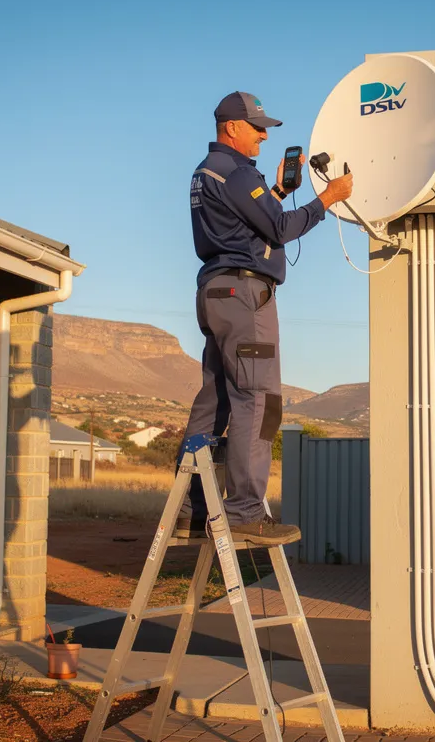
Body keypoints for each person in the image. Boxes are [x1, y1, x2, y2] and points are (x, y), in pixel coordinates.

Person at [175, 91, 353, 546]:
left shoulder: (207, 172)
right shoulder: (236, 172)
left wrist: (275, 193)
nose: (262, 135)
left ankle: (192, 510)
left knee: (213, 401)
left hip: (215, 292)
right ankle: (245, 510)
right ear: (231, 127)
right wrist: (327, 199)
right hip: (244, 295)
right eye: (256, 127)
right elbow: (278, 229)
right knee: (258, 399)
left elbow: (247, 224)